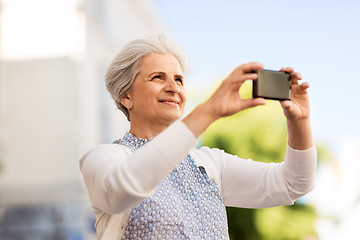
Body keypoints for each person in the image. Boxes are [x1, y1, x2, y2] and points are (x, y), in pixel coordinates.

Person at [79, 35, 317, 239]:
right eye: (158, 77)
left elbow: (293, 184)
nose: (173, 87)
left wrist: (299, 121)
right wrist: (208, 110)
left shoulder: (209, 163)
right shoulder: (103, 158)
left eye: (179, 79)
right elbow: (124, 187)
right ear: (126, 96)